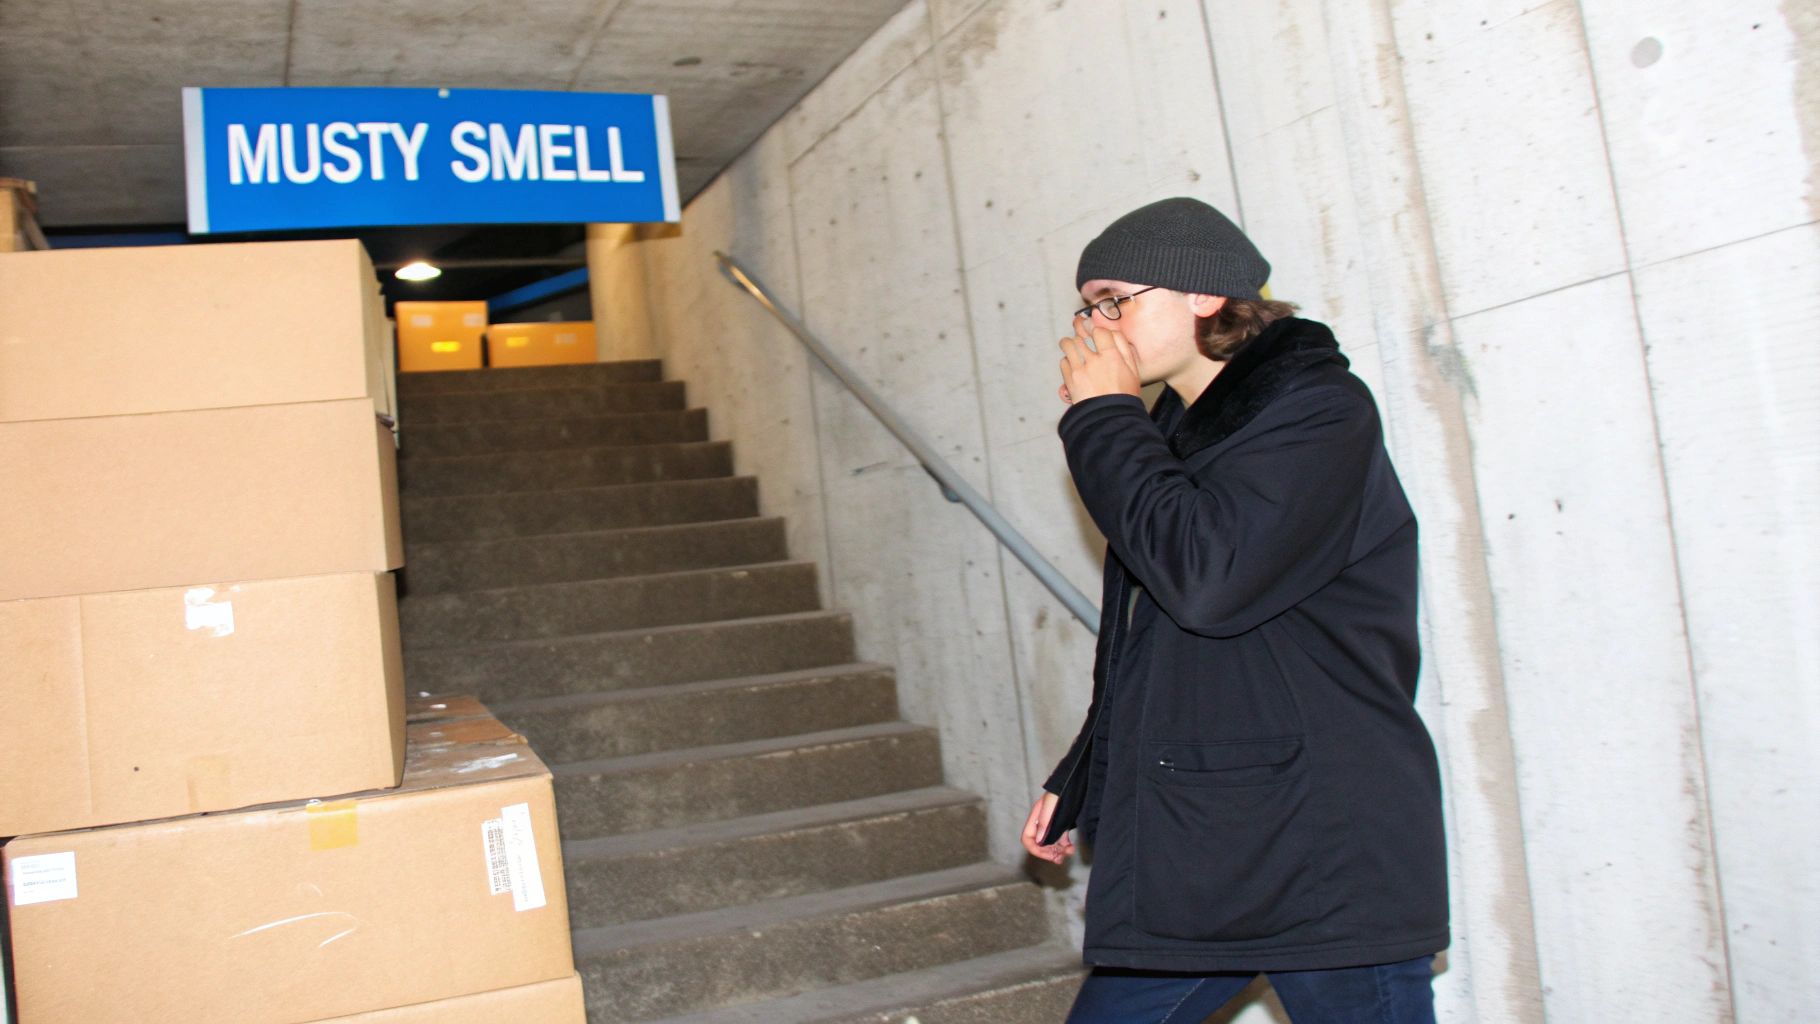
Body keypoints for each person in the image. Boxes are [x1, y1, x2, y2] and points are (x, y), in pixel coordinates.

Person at [1022, 197, 1449, 1023]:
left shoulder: (1318, 412)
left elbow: (1209, 583)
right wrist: (1089, 768)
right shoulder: (1181, 434)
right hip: (1218, 833)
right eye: (1086, 305)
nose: (1094, 324)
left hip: (1325, 841)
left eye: (1114, 298)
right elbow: (1159, 637)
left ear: (1203, 295)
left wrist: (1105, 418)